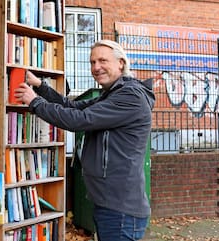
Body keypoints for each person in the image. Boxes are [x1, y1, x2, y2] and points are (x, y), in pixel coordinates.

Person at [14, 39, 155, 241]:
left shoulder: (130, 96)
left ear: (121, 63)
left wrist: (35, 102)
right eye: (92, 62)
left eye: (102, 61)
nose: (96, 67)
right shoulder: (112, 94)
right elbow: (74, 107)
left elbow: (79, 120)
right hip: (109, 204)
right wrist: (40, 87)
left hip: (121, 209)